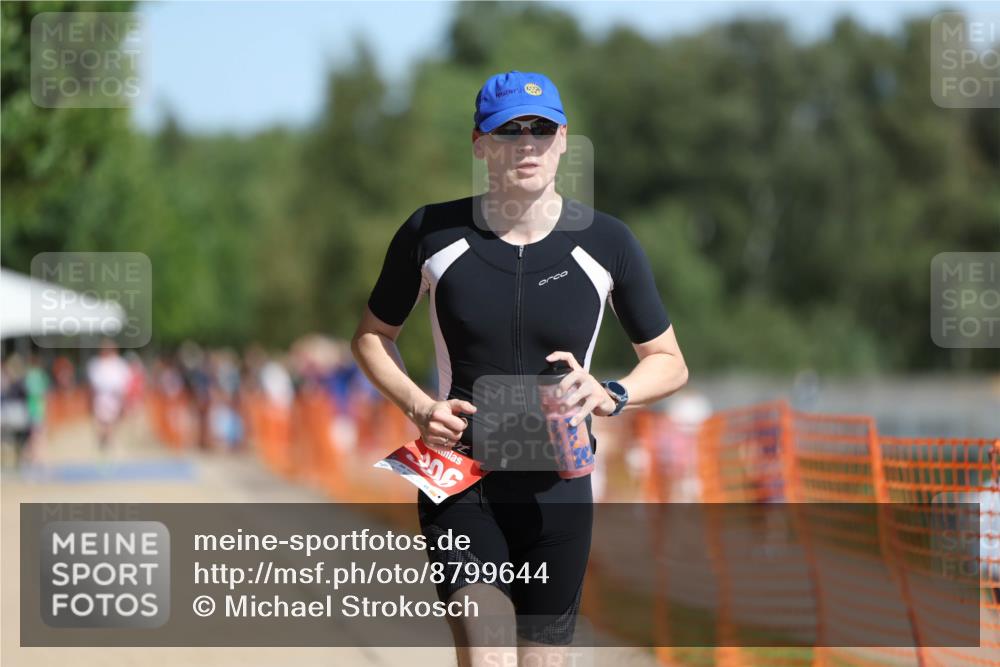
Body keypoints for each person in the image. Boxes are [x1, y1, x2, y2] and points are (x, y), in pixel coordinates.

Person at [351, 70, 689, 666]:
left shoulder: (607, 243)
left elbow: (668, 362)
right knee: (488, 657)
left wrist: (612, 392)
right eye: (510, 130)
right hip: (457, 477)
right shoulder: (430, 233)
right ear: (480, 143)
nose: (527, 143)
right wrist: (419, 406)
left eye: (541, 129)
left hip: (557, 488)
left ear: (563, 140)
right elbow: (372, 339)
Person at [86, 339, 132, 452]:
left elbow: (124, 384)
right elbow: (93, 385)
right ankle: (104, 441)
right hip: (101, 398)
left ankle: (109, 441)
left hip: (114, 398)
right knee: (101, 422)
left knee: (112, 422)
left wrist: (124, 400)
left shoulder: (119, 364)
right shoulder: (97, 364)